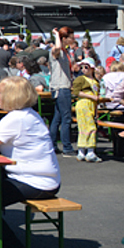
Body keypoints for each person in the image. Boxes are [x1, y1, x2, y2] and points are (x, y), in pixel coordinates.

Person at [0, 76, 60, 248]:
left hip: (36, 182)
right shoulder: (29, 114)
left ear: (11, 96)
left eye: (0, 93)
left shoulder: (16, 118)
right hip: (42, 178)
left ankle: (13, 247)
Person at [48, 26, 76, 157]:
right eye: (71, 37)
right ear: (64, 38)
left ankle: (53, 145)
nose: (73, 40)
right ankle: (67, 147)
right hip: (61, 87)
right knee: (66, 118)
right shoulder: (56, 50)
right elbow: (57, 47)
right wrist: (56, 35)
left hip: (61, 86)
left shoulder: (66, 52)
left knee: (57, 118)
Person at [71, 57, 102, 162]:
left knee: (88, 126)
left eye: (86, 67)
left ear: (92, 68)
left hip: (91, 106)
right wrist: (91, 96)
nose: (83, 69)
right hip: (83, 104)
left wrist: (96, 110)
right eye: (82, 67)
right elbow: (76, 92)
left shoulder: (96, 82)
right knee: (87, 127)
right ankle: (87, 151)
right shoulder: (80, 79)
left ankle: (84, 152)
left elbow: (97, 96)